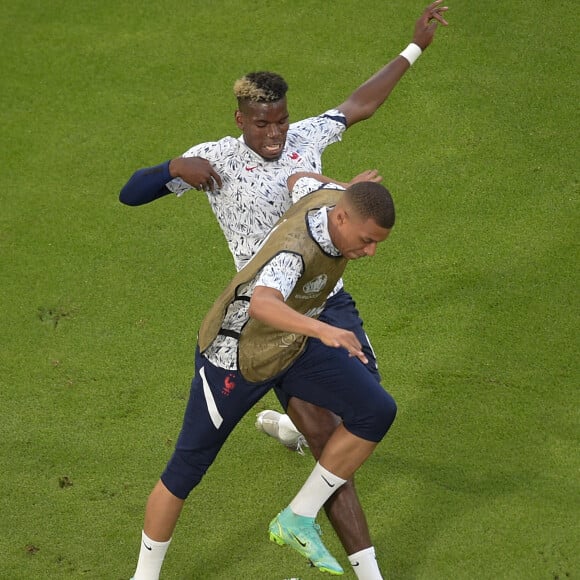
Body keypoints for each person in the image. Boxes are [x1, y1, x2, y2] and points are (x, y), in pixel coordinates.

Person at [120, 3, 449, 577]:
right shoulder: (215, 159)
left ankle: (295, 425)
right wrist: (175, 165)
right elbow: (130, 194)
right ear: (241, 118)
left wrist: (413, 47)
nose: (275, 134)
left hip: (320, 296)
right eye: (263, 123)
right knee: (201, 460)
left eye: (280, 121)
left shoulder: (304, 139)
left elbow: (358, 105)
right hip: (257, 320)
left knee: (365, 409)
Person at [130, 175, 397, 580]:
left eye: (378, 242)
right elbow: (263, 304)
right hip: (236, 357)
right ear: (341, 218)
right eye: (366, 240)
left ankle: (298, 517)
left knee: (376, 410)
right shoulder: (294, 253)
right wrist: (324, 329)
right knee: (186, 468)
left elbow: (299, 179)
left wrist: (349, 185)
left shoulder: (329, 199)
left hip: (290, 344)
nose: (372, 252)